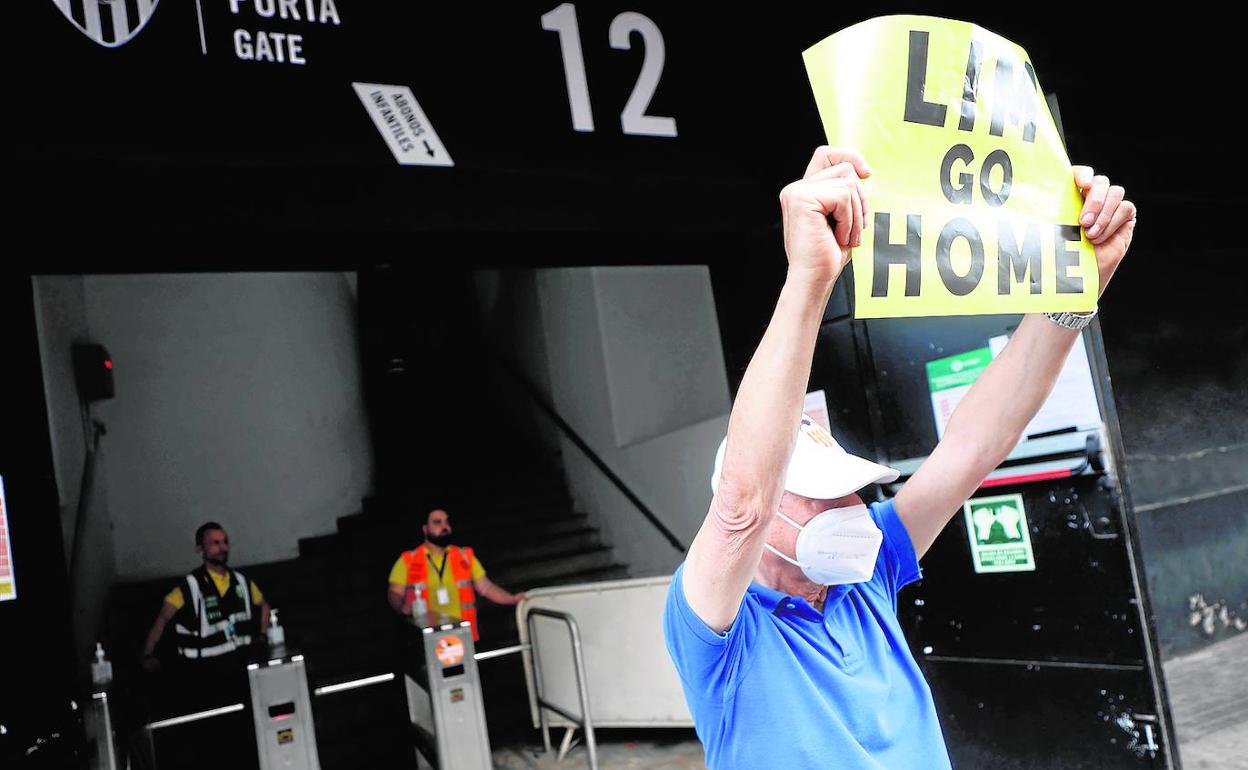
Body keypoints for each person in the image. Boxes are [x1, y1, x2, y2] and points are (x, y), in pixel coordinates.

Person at [663, 146, 1136, 768]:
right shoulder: (720, 629)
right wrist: (810, 278)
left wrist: (1078, 287)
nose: (850, 507)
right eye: (821, 493)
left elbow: (975, 445)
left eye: (850, 489)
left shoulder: (866, 574)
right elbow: (742, 508)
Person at [141, 521, 270, 670]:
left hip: (240, 663)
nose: (222, 548)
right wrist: (148, 654)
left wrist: (262, 635)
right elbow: (162, 619)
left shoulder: (241, 581)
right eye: (215, 543)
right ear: (200, 550)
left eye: (225, 542)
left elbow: (264, 605)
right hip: (205, 669)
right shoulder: (190, 586)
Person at [387, 507, 526, 641]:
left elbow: (486, 587)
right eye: (437, 522)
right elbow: (395, 593)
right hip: (427, 639)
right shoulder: (408, 560)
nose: (444, 526)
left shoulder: (464, 556)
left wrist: (512, 599)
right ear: (425, 529)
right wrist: (401, 607)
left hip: (463, 636)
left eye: (447, 522)